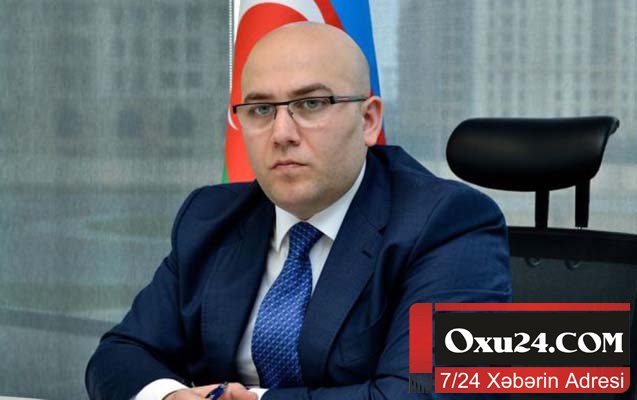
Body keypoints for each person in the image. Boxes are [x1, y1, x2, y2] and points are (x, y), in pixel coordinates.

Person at [86, 22, 511, 400]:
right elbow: (120, 355)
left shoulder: (449, 223)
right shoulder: (210, 218)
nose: (282, 133)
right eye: (261, 110)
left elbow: (427, 393)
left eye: (311, 104)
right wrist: (169, 396)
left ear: (368, 120)